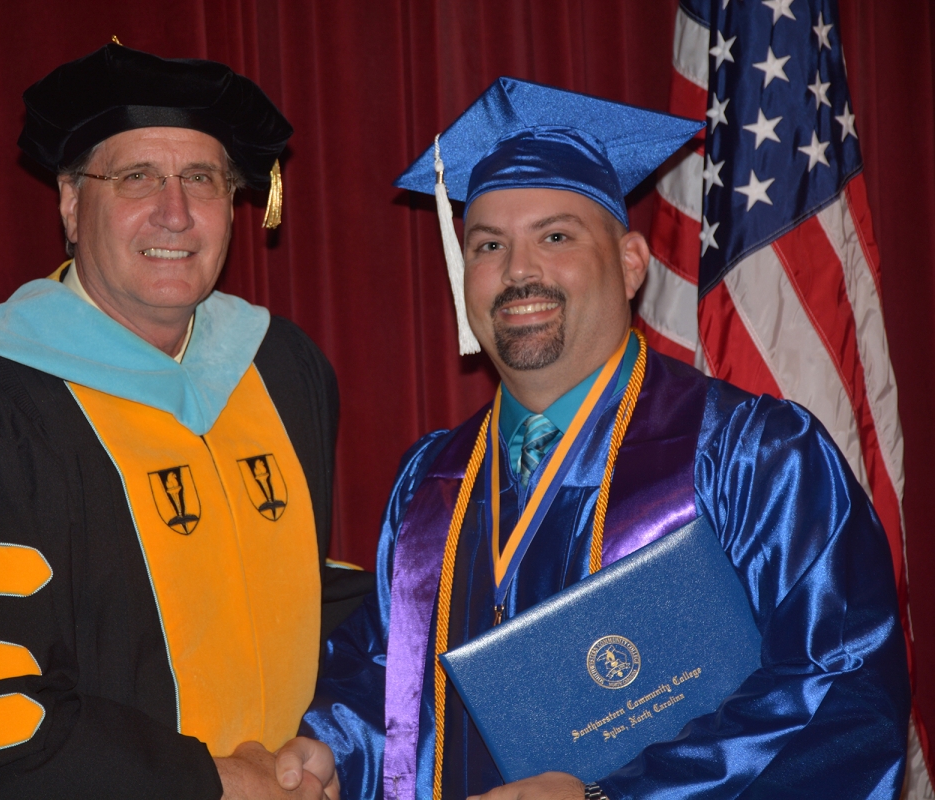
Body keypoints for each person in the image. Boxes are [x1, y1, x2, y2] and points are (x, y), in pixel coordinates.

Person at [302, 78, 910, 799]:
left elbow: (840, 690)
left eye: (555, 236)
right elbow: (388, 681)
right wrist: (327, 754)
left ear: (630, 263)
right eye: (488, 244)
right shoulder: (432, 484)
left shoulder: (751, 455)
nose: (519, 270)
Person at [0, 43, 356, 799]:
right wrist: (206, 783)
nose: (175, 212)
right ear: (68, 202)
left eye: (202, 178)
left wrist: (337, 734)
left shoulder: (282, 369)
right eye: (136, 177)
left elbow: (288, 593)